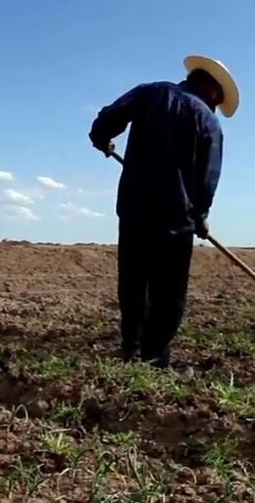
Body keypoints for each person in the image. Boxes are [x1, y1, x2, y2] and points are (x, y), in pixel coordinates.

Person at [89, 55, 239, 369]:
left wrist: (101, 138)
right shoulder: (208, 122)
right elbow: (208, 178)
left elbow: (107, 118)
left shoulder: (150, 92)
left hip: (134, 210)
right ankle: (154, 357)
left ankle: (131, 349)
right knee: (168, 296)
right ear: (212, 90)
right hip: (175, 220)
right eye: (218, 99)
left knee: (133, 284)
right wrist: (200, 215)